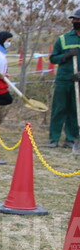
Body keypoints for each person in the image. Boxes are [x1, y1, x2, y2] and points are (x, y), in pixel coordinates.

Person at [47, 9, 80, 148]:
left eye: (78, 19)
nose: (75, 22)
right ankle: (54, 138)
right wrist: (65, 56)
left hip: (77, 81)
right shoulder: (63, 39)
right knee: (59, 109)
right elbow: (53, 58)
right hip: (63, 80)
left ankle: (71, 138)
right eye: (74, 19)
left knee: (75, 110)